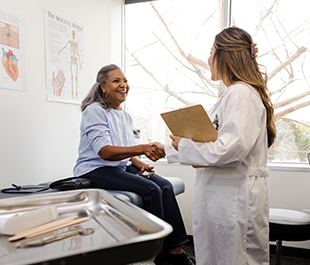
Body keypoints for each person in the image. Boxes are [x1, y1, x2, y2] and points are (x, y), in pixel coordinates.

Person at [153, 27, 276, 265]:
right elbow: (211, 142)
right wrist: (168, 149)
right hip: (227, 195)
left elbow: (230, 151)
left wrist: (184, 145)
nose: (208, 58)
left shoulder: (240, 93)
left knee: (234, 258)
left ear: (224, 55)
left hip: (235, 198)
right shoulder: (232, 94)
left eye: (211, 52)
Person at [73, 64, 195, 265]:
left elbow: (126, 151)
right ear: (103, 87)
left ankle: (176, 250)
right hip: (94, 170)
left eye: (125, 81)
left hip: (118, 166)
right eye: (116, 81)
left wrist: (139, 164)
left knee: (165, 186)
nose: (123, 85)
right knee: (150, 190)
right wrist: (141, 149)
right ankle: (161, 253)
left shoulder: (125, 116)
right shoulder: (94, 111)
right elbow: (105, 152)